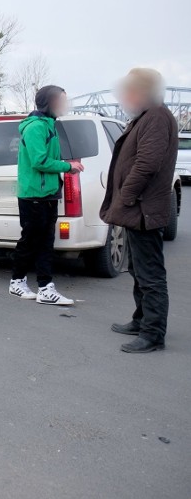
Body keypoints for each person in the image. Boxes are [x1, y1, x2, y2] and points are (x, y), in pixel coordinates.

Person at [102, 68, 178, 353]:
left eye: (131, 90)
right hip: (137, 210)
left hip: (143, 210)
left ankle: (153, 333)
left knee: (150, 273)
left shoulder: (156, 117)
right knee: (136, 268)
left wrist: (125, 196)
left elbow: (147, 164)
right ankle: (141, 318)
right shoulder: (148, 116)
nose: (126, 96)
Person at [9, 85, 83, 306]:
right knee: (31, 240)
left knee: (45, 242)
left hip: (48, 193)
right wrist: (68, 166)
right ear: (49, 103)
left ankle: (45, 287)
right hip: (33, 194)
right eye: (61, 101)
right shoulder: (35, 128)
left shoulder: (49, 125)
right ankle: (17, 282)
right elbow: (39, 161)